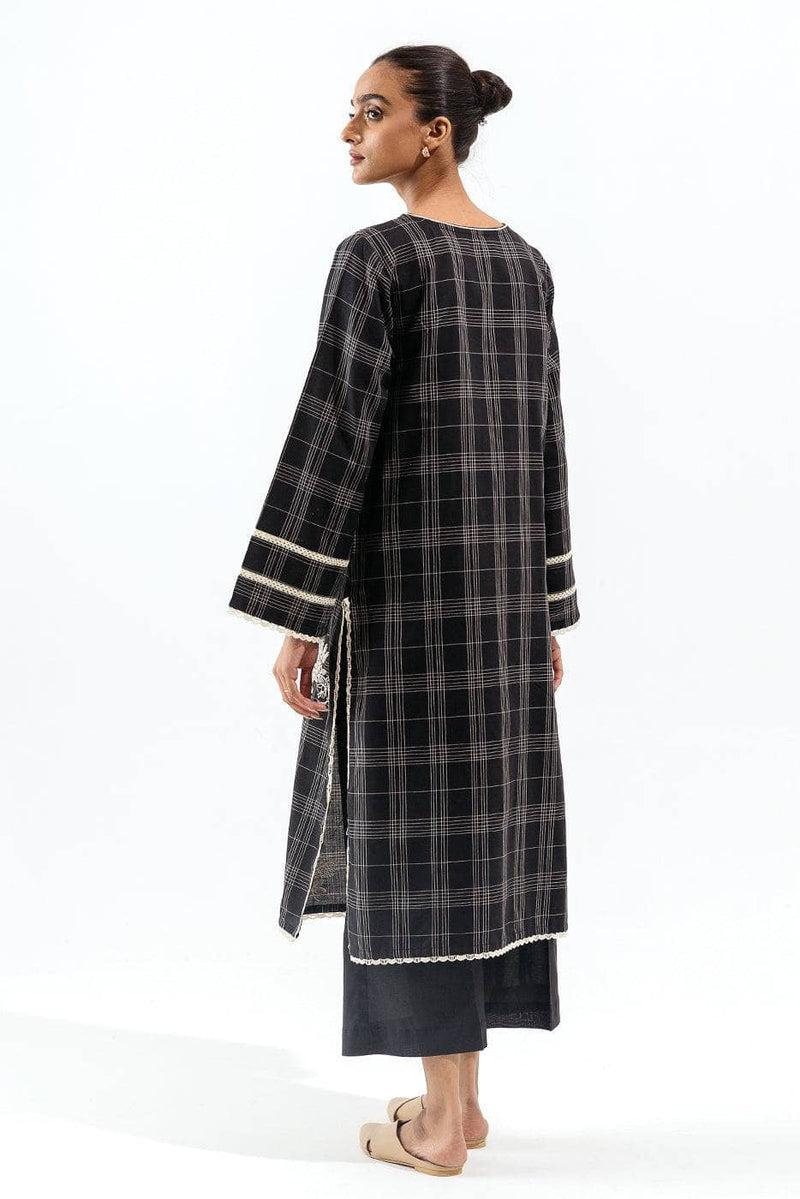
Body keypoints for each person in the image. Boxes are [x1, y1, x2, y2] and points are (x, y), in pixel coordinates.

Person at [227, 43, 580, 1177]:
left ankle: (433, 1130)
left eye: (370, 111)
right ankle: (459, 1104)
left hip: (407, 611)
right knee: (482, 842)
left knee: (416, 851)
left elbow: (335, 436)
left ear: (433, 131)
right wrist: (543, 609)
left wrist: (298, 612)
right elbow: (543, 449)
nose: (349, 131)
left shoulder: (377, 258)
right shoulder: (523, 263)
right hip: (498, 613)